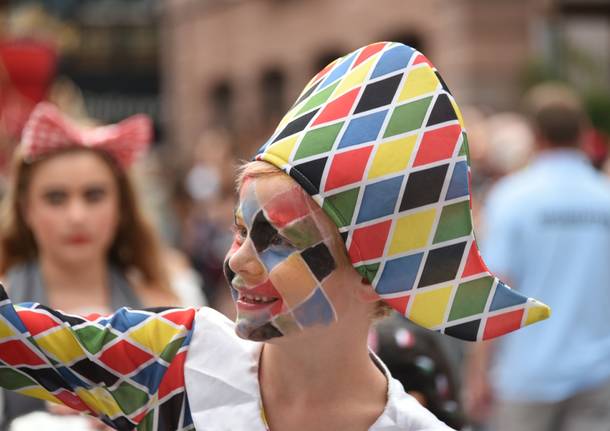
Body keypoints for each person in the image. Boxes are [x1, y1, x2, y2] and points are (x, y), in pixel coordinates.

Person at [0, 42, 549, 431]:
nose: (239, 260)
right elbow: (13, 342)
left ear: (375, 276)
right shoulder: (174, 361)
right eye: (241, 229)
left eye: (281, 240)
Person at [0, 103, 201, 430]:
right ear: (26, 210)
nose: (76, 216)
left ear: (121, 206)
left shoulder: (173, 299)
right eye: (55, 198)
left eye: (93, 196)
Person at [463, 83, 610, 431]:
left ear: (536, 136)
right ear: (583, 134)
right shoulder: (604, 198)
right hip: (598, 370)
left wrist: (478, 371)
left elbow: (495, 290)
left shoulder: (513, 199)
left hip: (526, 372)